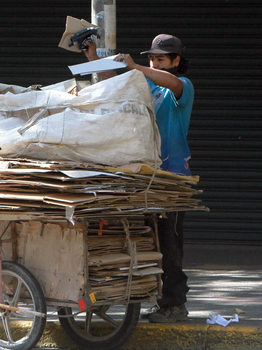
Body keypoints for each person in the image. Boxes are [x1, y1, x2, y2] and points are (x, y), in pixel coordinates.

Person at [82, 34, 194, 323]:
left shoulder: (181, 88)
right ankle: (154, 298)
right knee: (148, 241)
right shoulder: (145, 84)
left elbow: (171, 82)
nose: (155, 62)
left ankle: (175, 304)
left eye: (161, 58)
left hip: (172, 178)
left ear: (176, 61)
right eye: (152, 58)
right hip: (145, 174)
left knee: (169, 243)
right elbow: (116, 83)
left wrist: (136, 67)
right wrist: (93, 59)